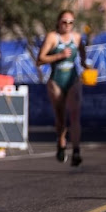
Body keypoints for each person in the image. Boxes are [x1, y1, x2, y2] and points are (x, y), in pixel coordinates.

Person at [36, 10, 87, 166]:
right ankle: (61, 141)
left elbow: (83, 57)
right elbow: (40, 60)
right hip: (56, 79)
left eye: (71, 22)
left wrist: (87, 67)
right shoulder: (52, 37)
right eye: (64, 22)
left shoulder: (77, 38)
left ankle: (76, 150)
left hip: (73, 78)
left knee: (75, 115)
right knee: (60, 116)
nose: (67, 25)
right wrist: (59, 55)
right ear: (58, 22)